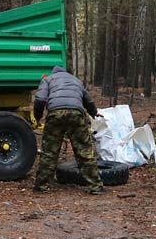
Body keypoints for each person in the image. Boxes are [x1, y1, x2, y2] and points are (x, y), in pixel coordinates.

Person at [33, 66, 103, 194]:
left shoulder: (48, 79)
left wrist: (37, 117)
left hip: (55, 114)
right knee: (84, 151)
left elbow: (40, 99)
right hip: (76, 113)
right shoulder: (76, 80)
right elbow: (88, 100)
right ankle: (95, 186)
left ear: (53, 73)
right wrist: (94, 113)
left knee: (49, 152)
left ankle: (42, 186)